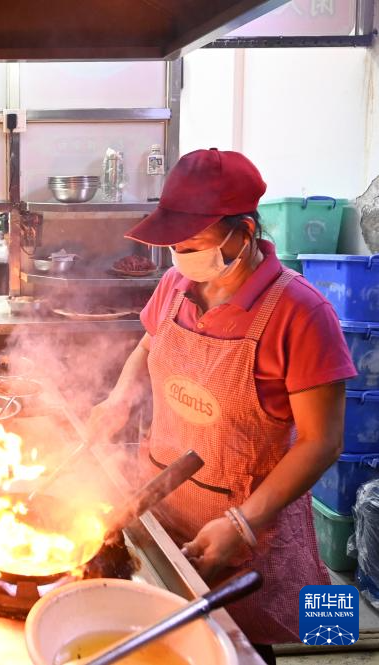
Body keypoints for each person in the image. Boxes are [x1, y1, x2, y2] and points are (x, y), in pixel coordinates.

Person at [88, 149, 355, 661]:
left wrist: (241, 523)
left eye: (193, 244)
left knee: (240, 649)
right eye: (174, 247)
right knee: (170, 640)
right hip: (164, 505)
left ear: (244, 232)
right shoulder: (174, 286)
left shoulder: (304, 313)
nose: (180, 257)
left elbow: (324, 441)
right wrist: (119, 397)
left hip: (252, 522)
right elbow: (147, 346)